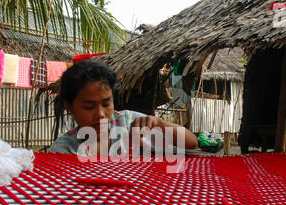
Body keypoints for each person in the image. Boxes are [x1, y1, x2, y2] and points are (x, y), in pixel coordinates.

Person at [48, 61, 198, 155]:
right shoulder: (64, 150)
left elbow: (192, 143)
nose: (100, 114)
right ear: (69, 106)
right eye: (89, 107)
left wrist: (159, 123)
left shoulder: (128, 123)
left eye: (106, 104)